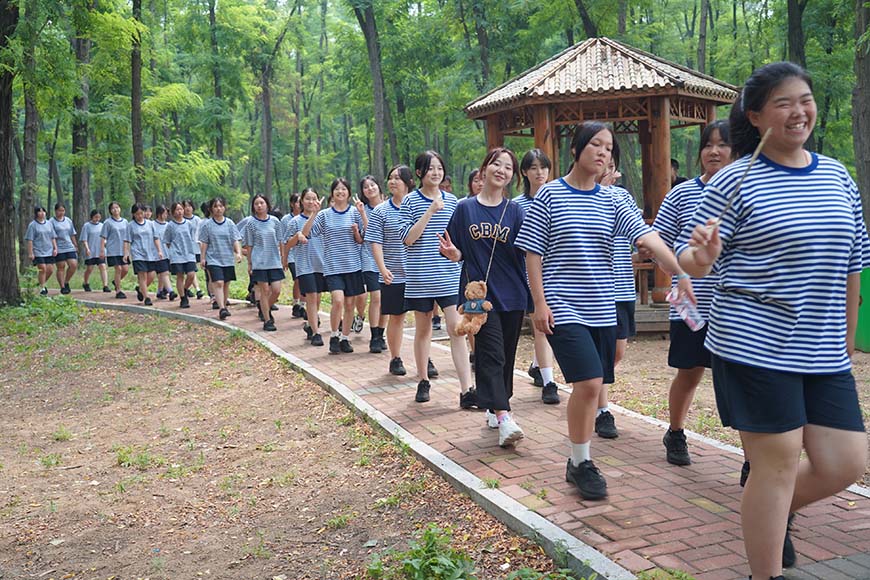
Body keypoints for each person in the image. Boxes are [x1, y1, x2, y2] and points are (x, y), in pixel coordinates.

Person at [677, 62, 868, 580]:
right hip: (753, 343)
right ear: (756, 116)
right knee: (777, 462)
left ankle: (768, 513)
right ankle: (766, 571)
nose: (798, 111)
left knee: (845, 462)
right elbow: (691, 260)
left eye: (804, 99)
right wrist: (703, 255)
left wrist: (846, 342)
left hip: (823, 350)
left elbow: (854, 263)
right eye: (783, 103)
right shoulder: (734, 181)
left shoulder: (836, 176)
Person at [515, 121, 694, 501]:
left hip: (603, 306)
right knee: (590, 384)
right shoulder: (549, 195)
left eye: (609, 148)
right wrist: (539, 304)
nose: (603, 153)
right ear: (577, 149)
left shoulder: (614, 200)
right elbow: (533, 253)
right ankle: (581, 462)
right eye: (595, 144)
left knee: (597, 378)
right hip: (564, 306)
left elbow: (647, 238)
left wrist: (681, 271)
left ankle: (576, 461)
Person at [650, 120, 733, 466]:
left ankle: (752, 458)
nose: (714, 151)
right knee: (689, 372)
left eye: (722, 145)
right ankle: (676, 432)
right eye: (707, 145)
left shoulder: (747, 192)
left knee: (736, 382)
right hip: (691, 305)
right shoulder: (682, 194)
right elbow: (657, 242)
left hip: (734, 308)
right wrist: (679, 273)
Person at [440, 147, 529, 447]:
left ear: (512, 177)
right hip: (479, 298)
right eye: (496, 164)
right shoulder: (465, 208)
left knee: (506, 357)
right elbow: (456, 248)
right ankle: (505, 417)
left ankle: (495, 406)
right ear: (484, 169)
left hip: (513, 294)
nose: (501, 170)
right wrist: (455, 254)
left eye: (507, 167)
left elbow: (525, 254)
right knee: (491, 354)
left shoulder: (516, 211)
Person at [400, 150, 475, 407]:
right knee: (424, 331)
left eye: (439, 168)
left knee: (457, 330)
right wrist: (431, 210)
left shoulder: (454, 201)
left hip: (449, 278)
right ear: (419, 173)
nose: (436, 172)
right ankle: (423, 380)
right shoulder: (409, 202)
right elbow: (408, 238)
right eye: (430, 168)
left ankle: (467, 390)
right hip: (421, 278)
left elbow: (460, 239)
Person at [592, 151, 642, 439]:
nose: (608, 171)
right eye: (603, 166)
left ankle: (593, 384)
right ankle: (602, 409)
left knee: (617, 352)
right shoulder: (585, 199)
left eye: (611, 166)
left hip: (623, 287)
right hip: (598, 289)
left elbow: (637, 234)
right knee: (602, 353)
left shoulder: (623, 198)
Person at [515, 149, 559, 405]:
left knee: (550, 326)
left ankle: (537, 365)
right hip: (530, 275)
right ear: (524, 172)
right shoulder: (517, 206)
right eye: (533, 168)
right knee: (543, 328)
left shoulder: (559, 199)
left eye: (543, 167)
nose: (539, 172)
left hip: (557, 273)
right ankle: (549, 382)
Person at [301, 178, 365, 354]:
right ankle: (334, 335)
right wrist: (314, 213)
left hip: (353, 266)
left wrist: (356, 229)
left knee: (350, 304)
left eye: (344, 189)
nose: (340, 192)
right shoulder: (324, 215)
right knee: (338, 301)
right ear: (332, 193)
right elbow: (306, 234)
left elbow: (362, 239)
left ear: (349, 193)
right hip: (333, 267)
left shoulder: (355, 212)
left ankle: (345, 338)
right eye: (337, 189)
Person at [366, 165, 413, 375]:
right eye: (390, 178)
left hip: (419, 273)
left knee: (426, 316)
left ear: (409, 182)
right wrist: (382, 268)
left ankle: (426, 358)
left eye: (398, 178)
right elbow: (375, 241)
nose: (393, 182)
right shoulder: (381, 211)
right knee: (397, 316)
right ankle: (395, 358)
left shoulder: (418, 207)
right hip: (394, 273)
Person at [286, 188, 326, 347]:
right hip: (304, 265)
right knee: (311, 296)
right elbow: (287, 245)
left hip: (321, 264)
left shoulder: (323, 219)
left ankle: (310, 324)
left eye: (314, 198)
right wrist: (296, 237)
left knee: (317, 297)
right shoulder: (294, 222)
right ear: (301, 201)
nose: (311, 202)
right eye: (307, 199)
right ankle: (316, 333)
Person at [244, 195, 285, 331]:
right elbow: (249, 245)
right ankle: (267, 320)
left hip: (274, 261)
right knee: (264, 290)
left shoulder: (275, 221)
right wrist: (249, 263)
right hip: (259, 262)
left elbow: (280, 241)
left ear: (267, 205)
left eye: (262, 203)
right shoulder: (250, 223)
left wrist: (283, 257)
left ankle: (264, 308)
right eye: (256, 204)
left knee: (276, 290)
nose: (259, 206)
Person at [198, 196, 242, 320]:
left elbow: (235, 239)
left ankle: (224, 304)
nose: (218, 209)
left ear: (224, 207)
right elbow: (204, 242)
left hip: (227, 258)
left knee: (226, 283)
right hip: (213, 259)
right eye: (215, 206)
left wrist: (238, 253)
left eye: (221, 206)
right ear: (211, 209)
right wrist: (203, 258)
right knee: (218, 282)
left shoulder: (229, 223)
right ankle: (221, 308)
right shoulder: (207, 225)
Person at [357, 175, 387, 353]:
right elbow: (369, 235)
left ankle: (381, 333)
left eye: (372, 185)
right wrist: (362, 213)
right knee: (376, 297)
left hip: (389, 259)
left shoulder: (389, 206)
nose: (370, 188)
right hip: (369, 260)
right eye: (365, 187)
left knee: (387, 300)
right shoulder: (361, 210)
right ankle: (374, 335)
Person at [123, 202, 163, 306]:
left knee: (152, 275)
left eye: (141, 213)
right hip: (138, 254)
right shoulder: (130, 226)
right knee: (142, 275)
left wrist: (159, 250)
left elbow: (156, 238)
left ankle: (140, 289)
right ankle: (147, 297)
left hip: (150, 253)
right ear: (133, 214)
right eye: (137, 214)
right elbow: (127, 240)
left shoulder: (150, 224)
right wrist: (126, 253)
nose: (139, 216)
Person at [164, 202, 198, 309]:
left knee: (191, 274)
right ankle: (183, 298)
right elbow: (167, 241)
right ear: (173, 212)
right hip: (177, 255)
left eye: (181, 209)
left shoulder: (188, 224)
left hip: (189, 253)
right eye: (177, 209)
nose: (179, 211)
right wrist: (174, 251)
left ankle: (185, 289)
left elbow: (192, 238)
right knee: (180, 276)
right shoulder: (170, 225)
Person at [24, 206, 57, 295]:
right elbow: (30, 240)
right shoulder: (32, 225)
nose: (42, 213)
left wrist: (55, 248)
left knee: (50, 270)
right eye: (39, 211)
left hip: (49, 250)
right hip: (38, 250)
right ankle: (42, 288)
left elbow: (53, 236)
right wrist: (31, 253)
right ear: (36, 214)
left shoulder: (49, 224)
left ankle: (41, 283)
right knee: (42, 268)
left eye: (43, 211)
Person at [283, 192, 305, 319]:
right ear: (292, 204)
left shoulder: (309, 217)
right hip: (292, 254)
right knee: (297, 278)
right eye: (296, 201)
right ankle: (296, 303)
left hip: (303, 255)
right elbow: (284, 240)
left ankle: (302, 304)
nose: (298, 204)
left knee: (303, 280)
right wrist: (284, 257)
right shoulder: (287, 220)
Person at [100, 201, 129, 299]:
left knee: (125, 269)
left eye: (117, 207)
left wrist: (128, 250)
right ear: (110, 211)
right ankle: (118, 291)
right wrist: (102, 250)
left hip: (123, 249)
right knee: (119, 269)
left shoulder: (125, 222)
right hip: (112, 250)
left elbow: (127, 236)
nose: (115, 209)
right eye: (113, 208)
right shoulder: (107, 222)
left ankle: (116, 282)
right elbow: (103, 237)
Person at [49, 203, 78, 295]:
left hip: (69, 245)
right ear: (55, 211)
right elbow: (51, 236)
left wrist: (75, 244)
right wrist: (54, 247)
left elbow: (72, 233)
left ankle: (66, 281)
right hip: (58, 247)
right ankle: (62, 287)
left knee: (73, 265)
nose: (61, 213)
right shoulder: (51, 221)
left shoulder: (68, 220)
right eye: (59, 210)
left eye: (63, 211)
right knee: (61, 267)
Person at [81, 209, 110, 293]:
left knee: (103, 266)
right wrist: (87, 248)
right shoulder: (87, 226)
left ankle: (105, 285)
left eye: (99, 217)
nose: (97, 219)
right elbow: (84, 239)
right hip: (91, 250)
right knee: (89, 268)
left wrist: (105, 243)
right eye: (95, 217)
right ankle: (86, 283)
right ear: (92, 217)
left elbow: (105, 237)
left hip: (100, 250)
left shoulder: (102, 225)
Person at [183, 200, 205, 300]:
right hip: (186, 250)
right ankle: (197, 289)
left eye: (189, 206)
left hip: (197, 248)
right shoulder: (181, 221)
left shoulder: (197, 220)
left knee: (194, 270)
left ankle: (186, 288)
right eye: (185, 206)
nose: (187, 208)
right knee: (192, 270)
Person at [152, 205, 174, 299]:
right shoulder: (152, 224)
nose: (166, 215)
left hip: (168, 252)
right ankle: (170, 291)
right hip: (158, 253)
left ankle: (160, 291)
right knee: (164, 272)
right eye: (164, 213)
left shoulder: (168, 225)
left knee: (162, 273)